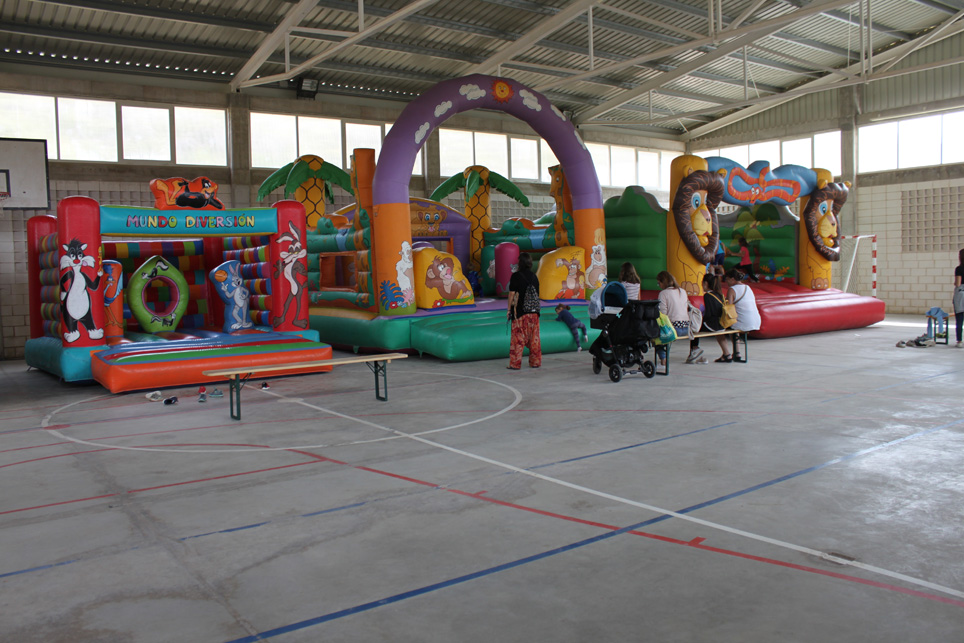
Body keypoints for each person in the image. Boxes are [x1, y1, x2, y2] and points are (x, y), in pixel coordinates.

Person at [507, 252, 541, 369]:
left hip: (520, 313)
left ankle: (515, 364)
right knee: (534, 339)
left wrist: (509, 309)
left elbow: (512, 294)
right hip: (534, 313)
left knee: (517, 339)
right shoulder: (534, 276)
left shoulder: (516, 276)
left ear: (520, 263)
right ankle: (535, 362)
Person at [719, 268, 761, 362]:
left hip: (744, 322)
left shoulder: (732, 289)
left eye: (727, 279)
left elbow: (728, 308)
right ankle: (737, 353)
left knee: (724, 327)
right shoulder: (748, 287)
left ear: (732, 279)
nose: (726, 282)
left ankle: (728, 353)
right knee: (735, 323)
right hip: (755, 320)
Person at [687, 273, 729, 364]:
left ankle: (694, 349)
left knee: (694, 327)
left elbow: (709, 314)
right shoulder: (720, 294)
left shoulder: (707, 295)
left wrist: (700, 320)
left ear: (705, 283)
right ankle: (727, 354)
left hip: (713, 324)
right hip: (722, 324)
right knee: (717, 332)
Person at [656, 270, 689, 366]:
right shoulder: (682, 291)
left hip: (673, 329)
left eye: (659, 283)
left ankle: (663, 358)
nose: (659, 285)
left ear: (663, 282)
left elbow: (663, 314)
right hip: (686, 328)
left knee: (655, 335)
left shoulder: (663, 293)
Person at [954, 248, 964, 348]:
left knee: (960, 319)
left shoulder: (959, 269)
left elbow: (958, 283)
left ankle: (960, 341)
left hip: (961, 294)